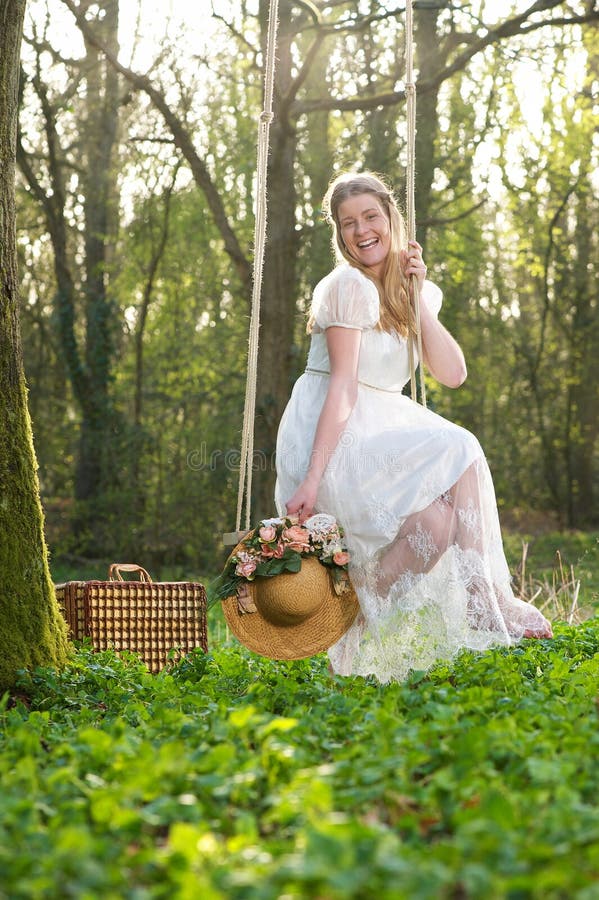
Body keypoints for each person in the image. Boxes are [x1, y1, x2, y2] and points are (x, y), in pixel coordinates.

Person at [274, 171, 552, 683]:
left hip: (384, 424)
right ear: (339, 234)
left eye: (371, 217)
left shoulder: (413, 289)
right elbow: (343, 388)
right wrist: (311, 479)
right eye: (348, 223)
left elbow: (453, 374)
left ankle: (350, 635)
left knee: (437, 525)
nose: (362, 231)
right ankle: (483, 598)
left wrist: (417, 296)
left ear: (392, 219)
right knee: (460, 444)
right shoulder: (346, 287)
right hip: (337, 433)